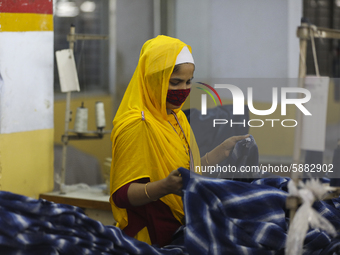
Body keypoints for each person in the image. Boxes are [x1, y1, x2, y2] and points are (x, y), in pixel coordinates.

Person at [109, 35, 248, 247]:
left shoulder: (176, 117)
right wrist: (164, 187)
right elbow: (122, 195)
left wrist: (221, 152)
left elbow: (187, 172)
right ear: (154, 79)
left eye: (188, 81)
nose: (183, 89)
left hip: (180, 227)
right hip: (150, 237)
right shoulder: (138, 124)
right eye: (175, 82)